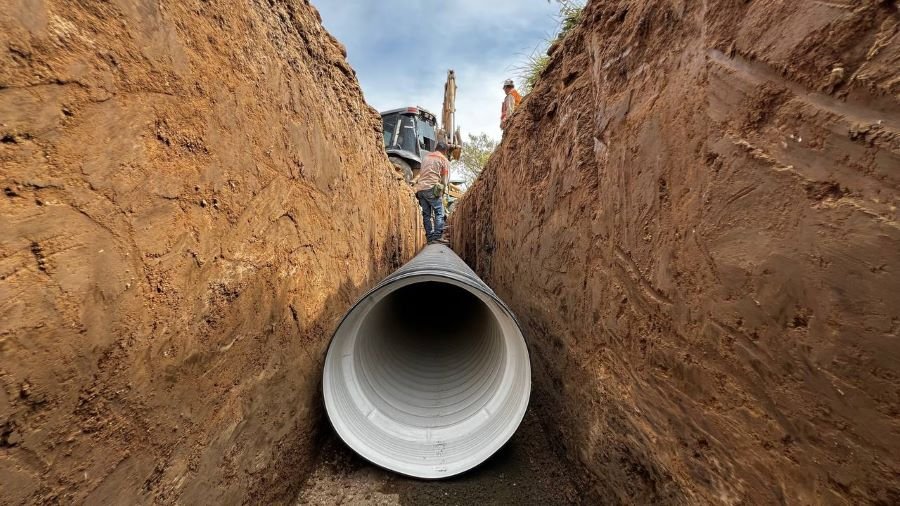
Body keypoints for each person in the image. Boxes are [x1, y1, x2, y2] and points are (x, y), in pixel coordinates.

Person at [413, 141, 451, 244]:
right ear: (445, 151)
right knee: (439, 212)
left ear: (436, 148)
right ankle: (437, 236)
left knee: (426, 214)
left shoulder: (426, 157)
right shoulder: (443, 159)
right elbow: (445, 180)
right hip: (432, 188)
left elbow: (421, 173)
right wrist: (442, 190)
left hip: (420, 189)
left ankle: (429, 237)